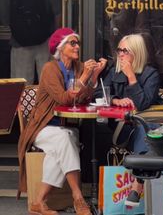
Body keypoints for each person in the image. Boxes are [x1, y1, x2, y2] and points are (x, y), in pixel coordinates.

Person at [18, 27, 107, 215]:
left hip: (67, 128)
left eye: (78, 43)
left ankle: (39, 202)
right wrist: (84, 77)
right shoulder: (50, 69)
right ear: (61, 47)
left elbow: (85, 99)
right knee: (64, 141)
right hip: (43, 128)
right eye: (72, 43)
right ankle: (78, 197)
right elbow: (64, 99)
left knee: (61, 146)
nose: (77, 47)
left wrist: (94, 76)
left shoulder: (79, 68)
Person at [94, 33, 163, 207]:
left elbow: (142, 103)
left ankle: (137, 185)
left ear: (137, 52)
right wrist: (116, 100)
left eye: (125, 50)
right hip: (121, 127)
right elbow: (98, 95)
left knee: (146, 126)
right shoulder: (114, 71)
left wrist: (132, 77)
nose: (120, 54)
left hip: (143, 125)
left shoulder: (151, 74)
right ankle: (140, 182)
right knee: (148, 130)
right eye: (119, 50)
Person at [0, 0, 61, 84]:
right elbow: (57, 11)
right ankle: (47, 104)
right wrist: (53, 35)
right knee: (48, 80)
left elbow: (4, 18)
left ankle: (24, 104)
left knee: (21, 83)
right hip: (44, 40)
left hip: (19, 43)